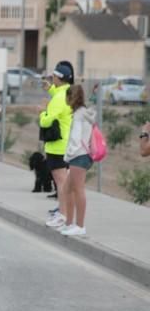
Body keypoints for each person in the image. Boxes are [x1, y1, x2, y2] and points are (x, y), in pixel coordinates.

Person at [42, 62, 74, 229]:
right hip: (66, 144)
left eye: (54, 77)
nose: (52, 78)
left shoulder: (59, 98)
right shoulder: (67, 92)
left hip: (57, 146)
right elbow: (59, 95)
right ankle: (65, 214)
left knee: (61, 183)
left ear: (59, 78)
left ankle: (63, 215)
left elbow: (47, 120)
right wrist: (51, 90)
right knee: (64, 182)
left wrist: (42, 112)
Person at [60, 84, 95, 236]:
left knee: (78, 189)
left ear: (70, 97)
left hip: (78, 156)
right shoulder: (84, 112)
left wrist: (68, 156)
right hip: (83, 155)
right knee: (67, 189)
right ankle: (69, 223)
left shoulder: (79, 115)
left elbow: (75, 139)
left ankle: (80, 226)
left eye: (67, 97)